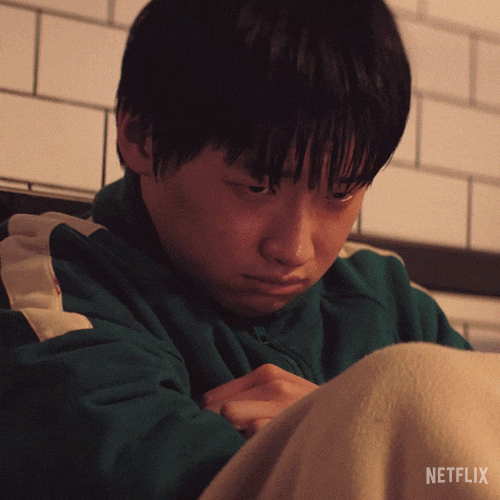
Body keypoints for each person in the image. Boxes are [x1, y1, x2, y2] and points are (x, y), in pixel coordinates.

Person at [4, 0, 497, 499]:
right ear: (142, 137)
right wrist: (376, 434)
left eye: (340, 192)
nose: (294, 249)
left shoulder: (389, 299)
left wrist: (341, 422)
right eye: (257, 187)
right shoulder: (52, 287)